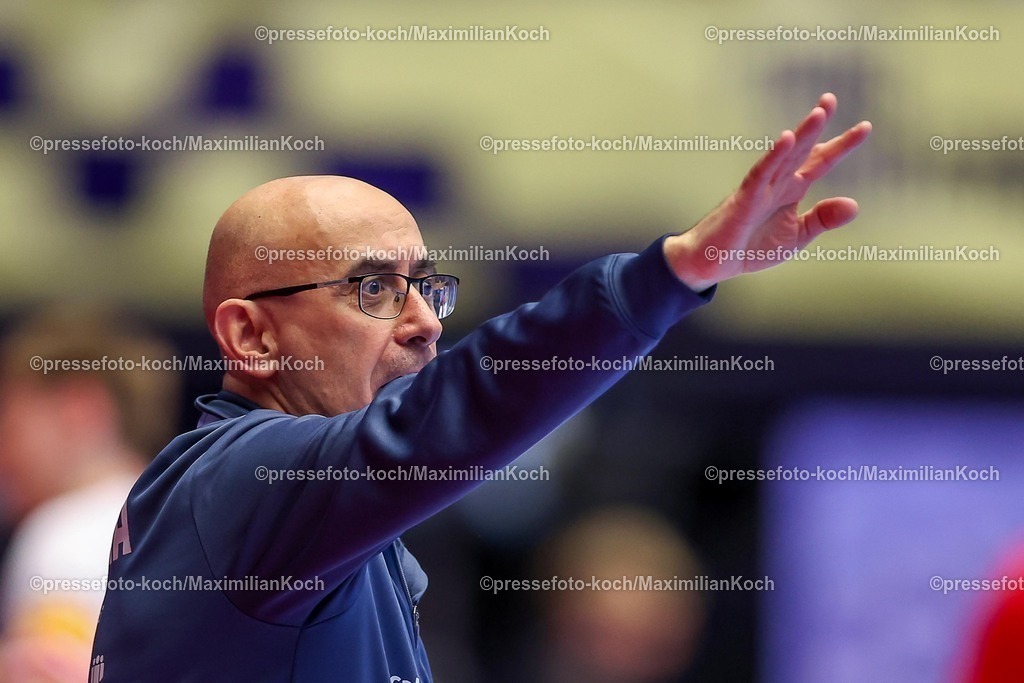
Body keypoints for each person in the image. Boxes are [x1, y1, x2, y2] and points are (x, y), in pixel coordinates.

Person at [89, 93, 871, 682]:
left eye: (427, 287)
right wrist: (672, 273)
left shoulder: (279, 512)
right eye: (373, 288)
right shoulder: (242, 481)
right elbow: (461, 406)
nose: (426, 322)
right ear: (251, 335)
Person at [0, 307, 179, 683]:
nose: (4, 454)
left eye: (10, 422)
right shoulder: (187, 518)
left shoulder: (64, 535)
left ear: (78, 408)